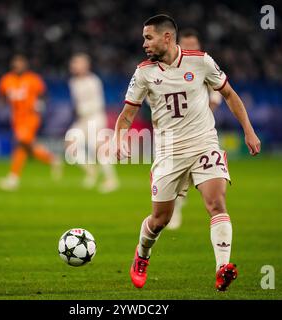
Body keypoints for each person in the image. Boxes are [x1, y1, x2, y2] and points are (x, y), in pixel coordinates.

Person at [114, 15, 261, 291]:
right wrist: (120, 139)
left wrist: (248, 130)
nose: (144, 43)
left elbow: (229, 94)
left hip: (204, 143)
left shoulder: (201, 61)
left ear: (166, 37)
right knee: (160, 220)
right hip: (169, 153)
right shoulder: (144, 72)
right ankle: (142, 255)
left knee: (216, 203)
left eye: (148, 37)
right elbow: (126, 115)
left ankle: (222, 268)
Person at [166, 28, 224, 230]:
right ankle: (175, 210)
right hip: (173, 134)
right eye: (187, 45)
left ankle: (216, 214)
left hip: (201, 133)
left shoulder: (203, 64)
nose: (191, 49)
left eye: (194, 45)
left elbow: (217, 94)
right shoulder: (167, 66)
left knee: (208, 183)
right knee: (175, 180)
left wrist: (201, 113)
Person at [0, 54, 61, 191]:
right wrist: (0, 104)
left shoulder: (33, 79)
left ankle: (13, 178)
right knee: (26, 147)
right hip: (16, 119)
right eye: (16, 63)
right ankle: (52, 159)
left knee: (20, 143)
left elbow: (44, 95)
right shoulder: (6, 80)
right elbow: (1, 97)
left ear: (25, 65)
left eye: (20, 63)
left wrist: (41, 104)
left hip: (31, 117)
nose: (18, 66)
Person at [67, 53, 119, 193]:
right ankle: (91, 170)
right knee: (70, 143)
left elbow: (98, 103)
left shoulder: (93, 81)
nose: (74, 66)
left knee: (98, 148)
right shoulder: (73, 82)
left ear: (86, 65)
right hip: (82, 120)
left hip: (95, 117)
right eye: (74, 63)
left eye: (77, 63)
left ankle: (111, 180)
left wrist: (82, 109)